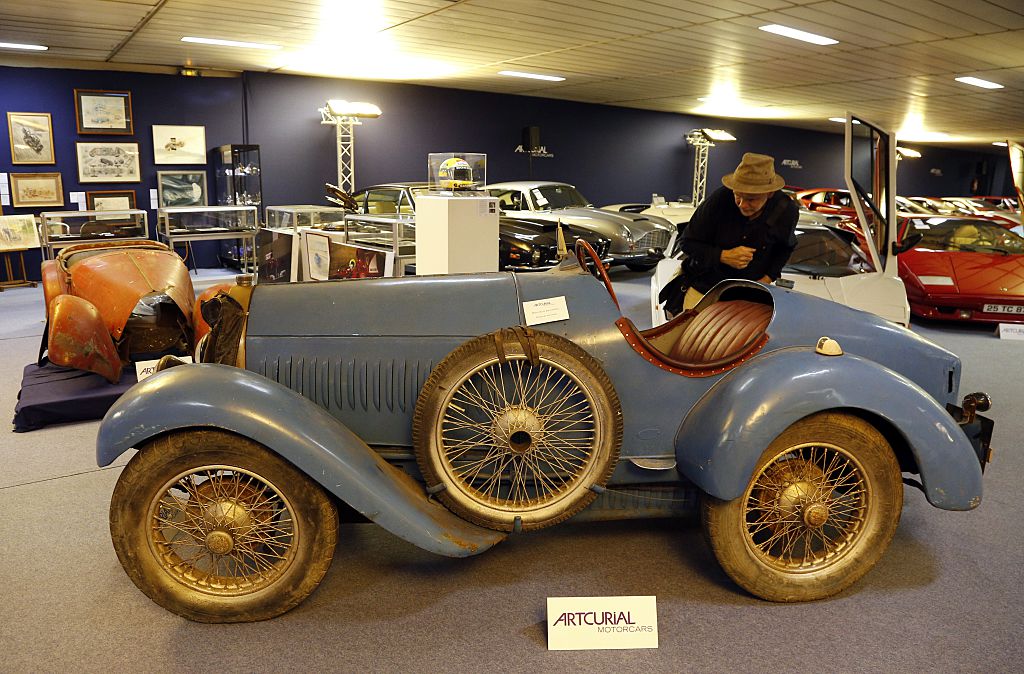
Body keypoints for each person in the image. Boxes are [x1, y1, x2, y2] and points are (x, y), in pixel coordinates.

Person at [677, 152, 799, 311]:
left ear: (769, 194)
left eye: (751, 199)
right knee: (691, 335)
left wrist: (768, 278)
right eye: (738, 196)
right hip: (705, 289)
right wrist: (722, 256)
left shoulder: (786, 210)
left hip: (750, 297)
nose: (742, 204)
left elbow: (785, 247)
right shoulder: (719, 200)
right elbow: (686, 243)